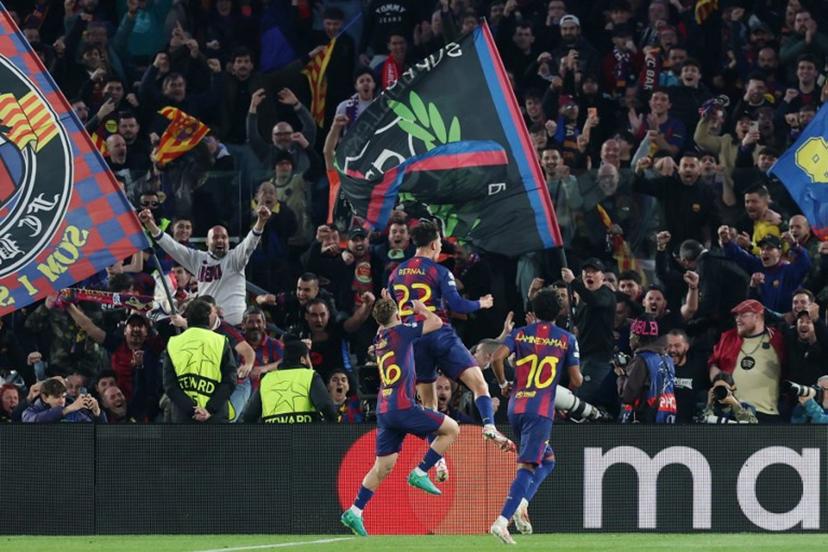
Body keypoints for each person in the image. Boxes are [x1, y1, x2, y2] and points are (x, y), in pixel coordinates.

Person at [387, 221, 513, 456]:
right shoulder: (439, 271)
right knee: (479, 384)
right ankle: (488, 425)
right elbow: (457, 305)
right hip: (440, 334)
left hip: (413, 341)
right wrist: (482, 303)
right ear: (434, 244)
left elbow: (390, 309)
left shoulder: (396, 273)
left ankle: (438, 459)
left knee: (429, 406)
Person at [340, 294, 459, 537]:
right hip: (403, 406)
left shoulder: (380, 336)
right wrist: (421, 308)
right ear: (396, 315)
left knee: (383, 466)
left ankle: (355, 511)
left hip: (385, 409)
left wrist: (387, 308)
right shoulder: (403, 332)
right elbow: (436, 322)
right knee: (452, 429)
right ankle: (421, 472)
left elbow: (385, 320)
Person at [489, 290, 582, 544]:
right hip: (540, 411)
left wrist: (503, 383)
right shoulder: (566, 338)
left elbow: (496, 357)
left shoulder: (519, 333)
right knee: (528, 467)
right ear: (560, 311)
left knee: (548, 459)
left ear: (534, 309)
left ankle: (521, 504)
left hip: (516, 406)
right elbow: (576, 379)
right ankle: (501, 521)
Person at [139, 204, 272, 326]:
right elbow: (172, 247)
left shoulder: (235, 258)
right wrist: (150, 224)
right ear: (207, 243)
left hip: (235, 326)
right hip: (207, 326)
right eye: (215, 237)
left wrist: (261, 222)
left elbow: (250, 243)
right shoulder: (198, 258)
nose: (220, 240)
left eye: (224, 237)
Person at [162, 299, 236, 423]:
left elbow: (170, 385)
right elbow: (231, 380)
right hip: (215, 417)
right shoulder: (221, 341)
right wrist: (209, 409)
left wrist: (192, 410)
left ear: (187, 318)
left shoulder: (173, 343)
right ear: (207, 317)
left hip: (183, 416)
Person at [242, 340, 337, 424]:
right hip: (305, 439)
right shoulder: (309, 375)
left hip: (273, 439)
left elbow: (249, 416)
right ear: (302, 359)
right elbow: (326, 407)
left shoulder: (266, 379)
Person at [617, 315, 677, 424]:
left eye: (632, 334)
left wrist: (621, 376)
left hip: (645, 423)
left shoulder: (641, 360)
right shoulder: (668, 359)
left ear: (637, 337)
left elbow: (627, 396)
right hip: (666, 420)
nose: (629, 338)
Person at [22, 377, 106, 423]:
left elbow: (94, 432)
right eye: (56, 397)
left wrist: (97, 412)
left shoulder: (73, 413)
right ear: (45, 397)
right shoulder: (29, 412)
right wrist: (67, 409)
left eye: (63, 396)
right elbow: (34, 422)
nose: (62, 401)